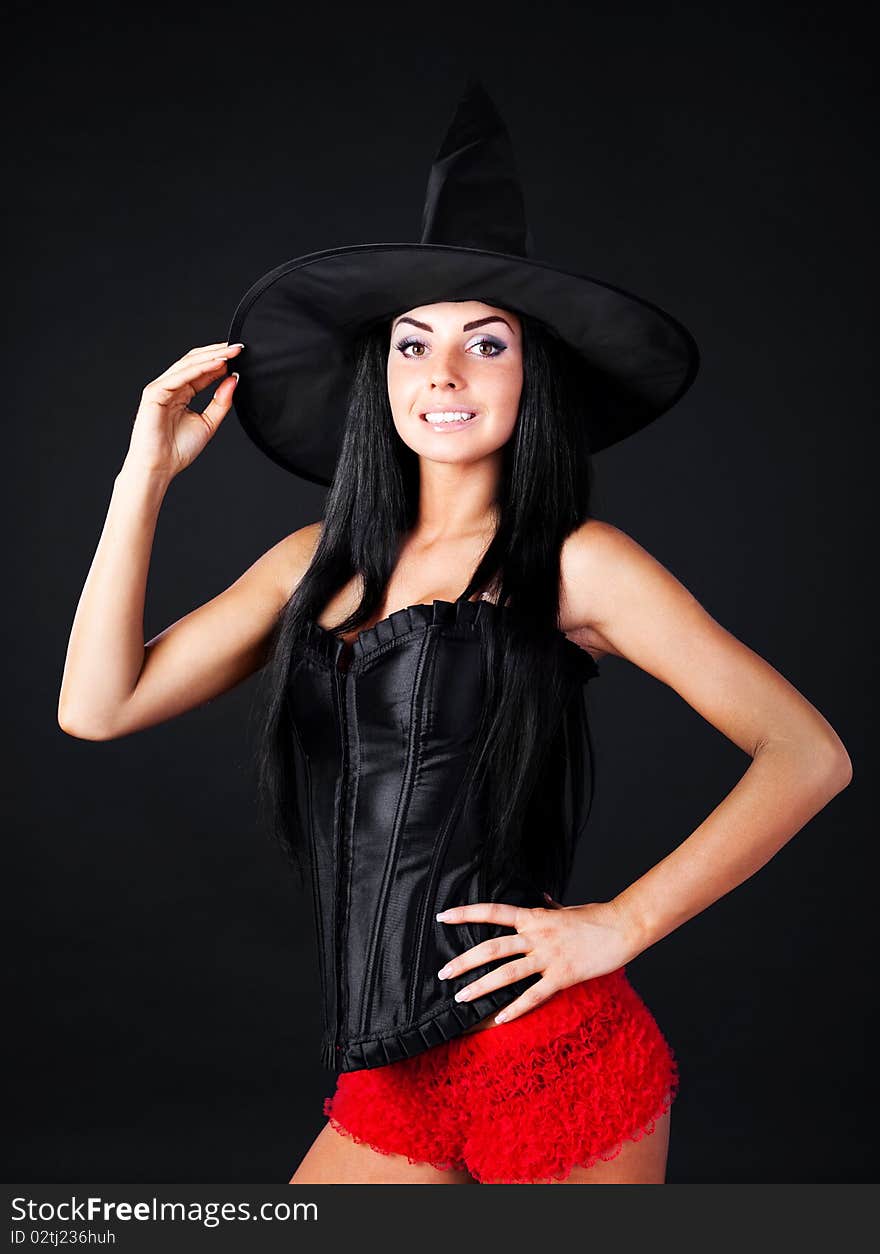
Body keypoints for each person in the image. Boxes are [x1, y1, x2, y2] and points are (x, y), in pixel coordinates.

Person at [57, 85, 852, 1185]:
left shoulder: (578, 562)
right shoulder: (309, 567)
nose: (443, 374)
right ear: (378, 376)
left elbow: (809, 753)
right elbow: (96, 708)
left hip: (547, 1054)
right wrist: (141, 479)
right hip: (390, 1075)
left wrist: (617, 925)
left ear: (533, 378)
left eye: (487, 344)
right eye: (411, 345)